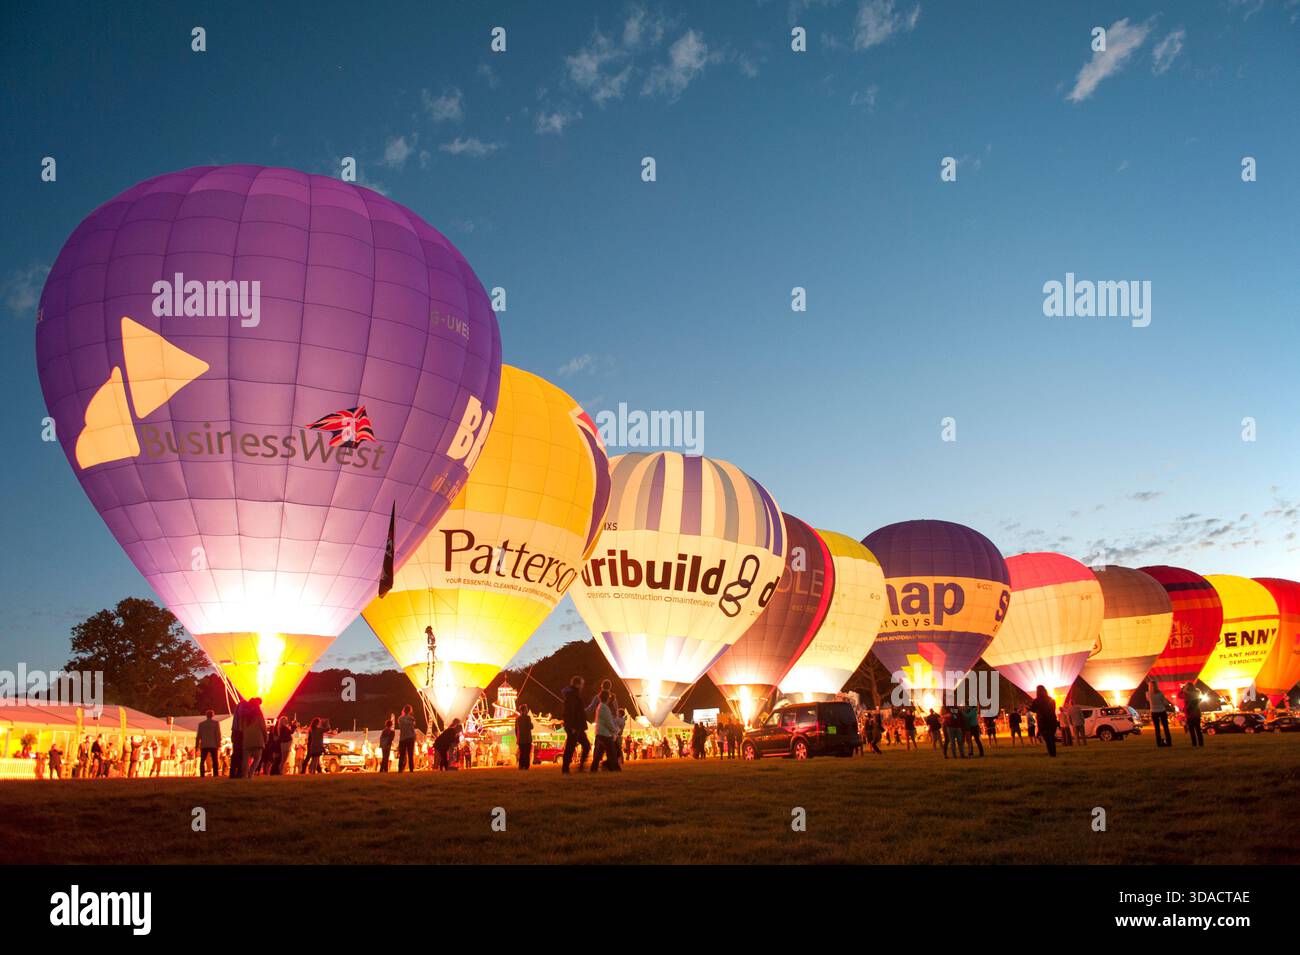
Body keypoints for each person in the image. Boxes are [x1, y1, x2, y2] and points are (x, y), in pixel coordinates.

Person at [560, 676, 591, 773]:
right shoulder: (572, 696)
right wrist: (572, 726)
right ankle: (565, 768)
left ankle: (580, 766)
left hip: (578, 726)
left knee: (585, 745)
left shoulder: (574, 696)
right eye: (581, 684)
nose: (583, 686)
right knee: (570, 747)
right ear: (577, 684)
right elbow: (570, 712)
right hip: (574, 727)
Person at [591, 692, 619, 772]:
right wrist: (615, 730)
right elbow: (608, 722)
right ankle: (615, 768)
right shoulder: (604, 708)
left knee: (599, 754)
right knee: (613, 753)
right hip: (605, 734)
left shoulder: (600, 706)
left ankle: (594, 769)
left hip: (601, 733)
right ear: (607, 698)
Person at [1029, 686, 1059, 757]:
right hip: (1052, 721)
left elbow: (1033, 709)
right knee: (1051, 737)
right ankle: (1053, 753)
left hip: (1043, 722)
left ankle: (1051, 753)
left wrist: (1030, 707)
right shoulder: (1051, 700)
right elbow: (1053, 710)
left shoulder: (1036, 701)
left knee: (1047, 739)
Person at [242, 698, 267, 777]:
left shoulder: (245, 717)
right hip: (258, 740)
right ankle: (251, 773)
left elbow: (242, 727)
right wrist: (265, 737)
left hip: (247, 740)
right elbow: (263, 727)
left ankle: (245, 774)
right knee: (257, 758)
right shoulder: (259, 716)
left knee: (246, 759)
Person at [196, 709, 222, 777]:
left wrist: (197, 746)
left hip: (204, 744)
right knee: (215, 760)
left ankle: (202, 774)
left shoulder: (201, 724)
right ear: (213, 715)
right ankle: (215, 774)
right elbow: (218, 734)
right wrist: (219, 743)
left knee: (202, 760)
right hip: (213, 744)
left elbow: (198, 735)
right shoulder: (216, 723)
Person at [1148, 680, 1173, 747]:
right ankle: (1169, 742)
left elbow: (1148, 700)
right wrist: (1169, 705)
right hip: (1162, 711)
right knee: (1165, 727)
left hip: (1154, 712)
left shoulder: (1148, 694)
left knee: (1157, 728)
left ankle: (1158, 743)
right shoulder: (1160, 693)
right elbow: (1165, 703)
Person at [1181, 682, 1204, 747]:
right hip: (1196, 713)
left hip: (1190, 714)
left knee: (1192, 730)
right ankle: (1201, 743)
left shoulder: (1187, 694)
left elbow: (1179, 695)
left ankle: (1194, 744)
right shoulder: (1197, 692)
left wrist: (1182, 689)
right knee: (1198, 730)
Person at [397, 705, 417, 772]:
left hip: (403, 738)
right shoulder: (412, 718)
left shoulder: (400, 718)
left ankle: (400, 769)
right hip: (410, 737)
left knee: (402, 755)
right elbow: (412, 727)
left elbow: (401, 725)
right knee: (410, 754)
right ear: (410, 711)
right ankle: (411, 769)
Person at [515, 704, 534, 770]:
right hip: (527, 739)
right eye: (526, 709)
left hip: (520, 739)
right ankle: (526, 766)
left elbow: (516, 730)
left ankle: (521, 765)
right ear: (525, 710)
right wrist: (531, 724)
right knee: (527, 753)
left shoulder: (517, 719)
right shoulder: (527, 717)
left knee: (522, 753)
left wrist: (517, 738)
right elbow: (531, 727)